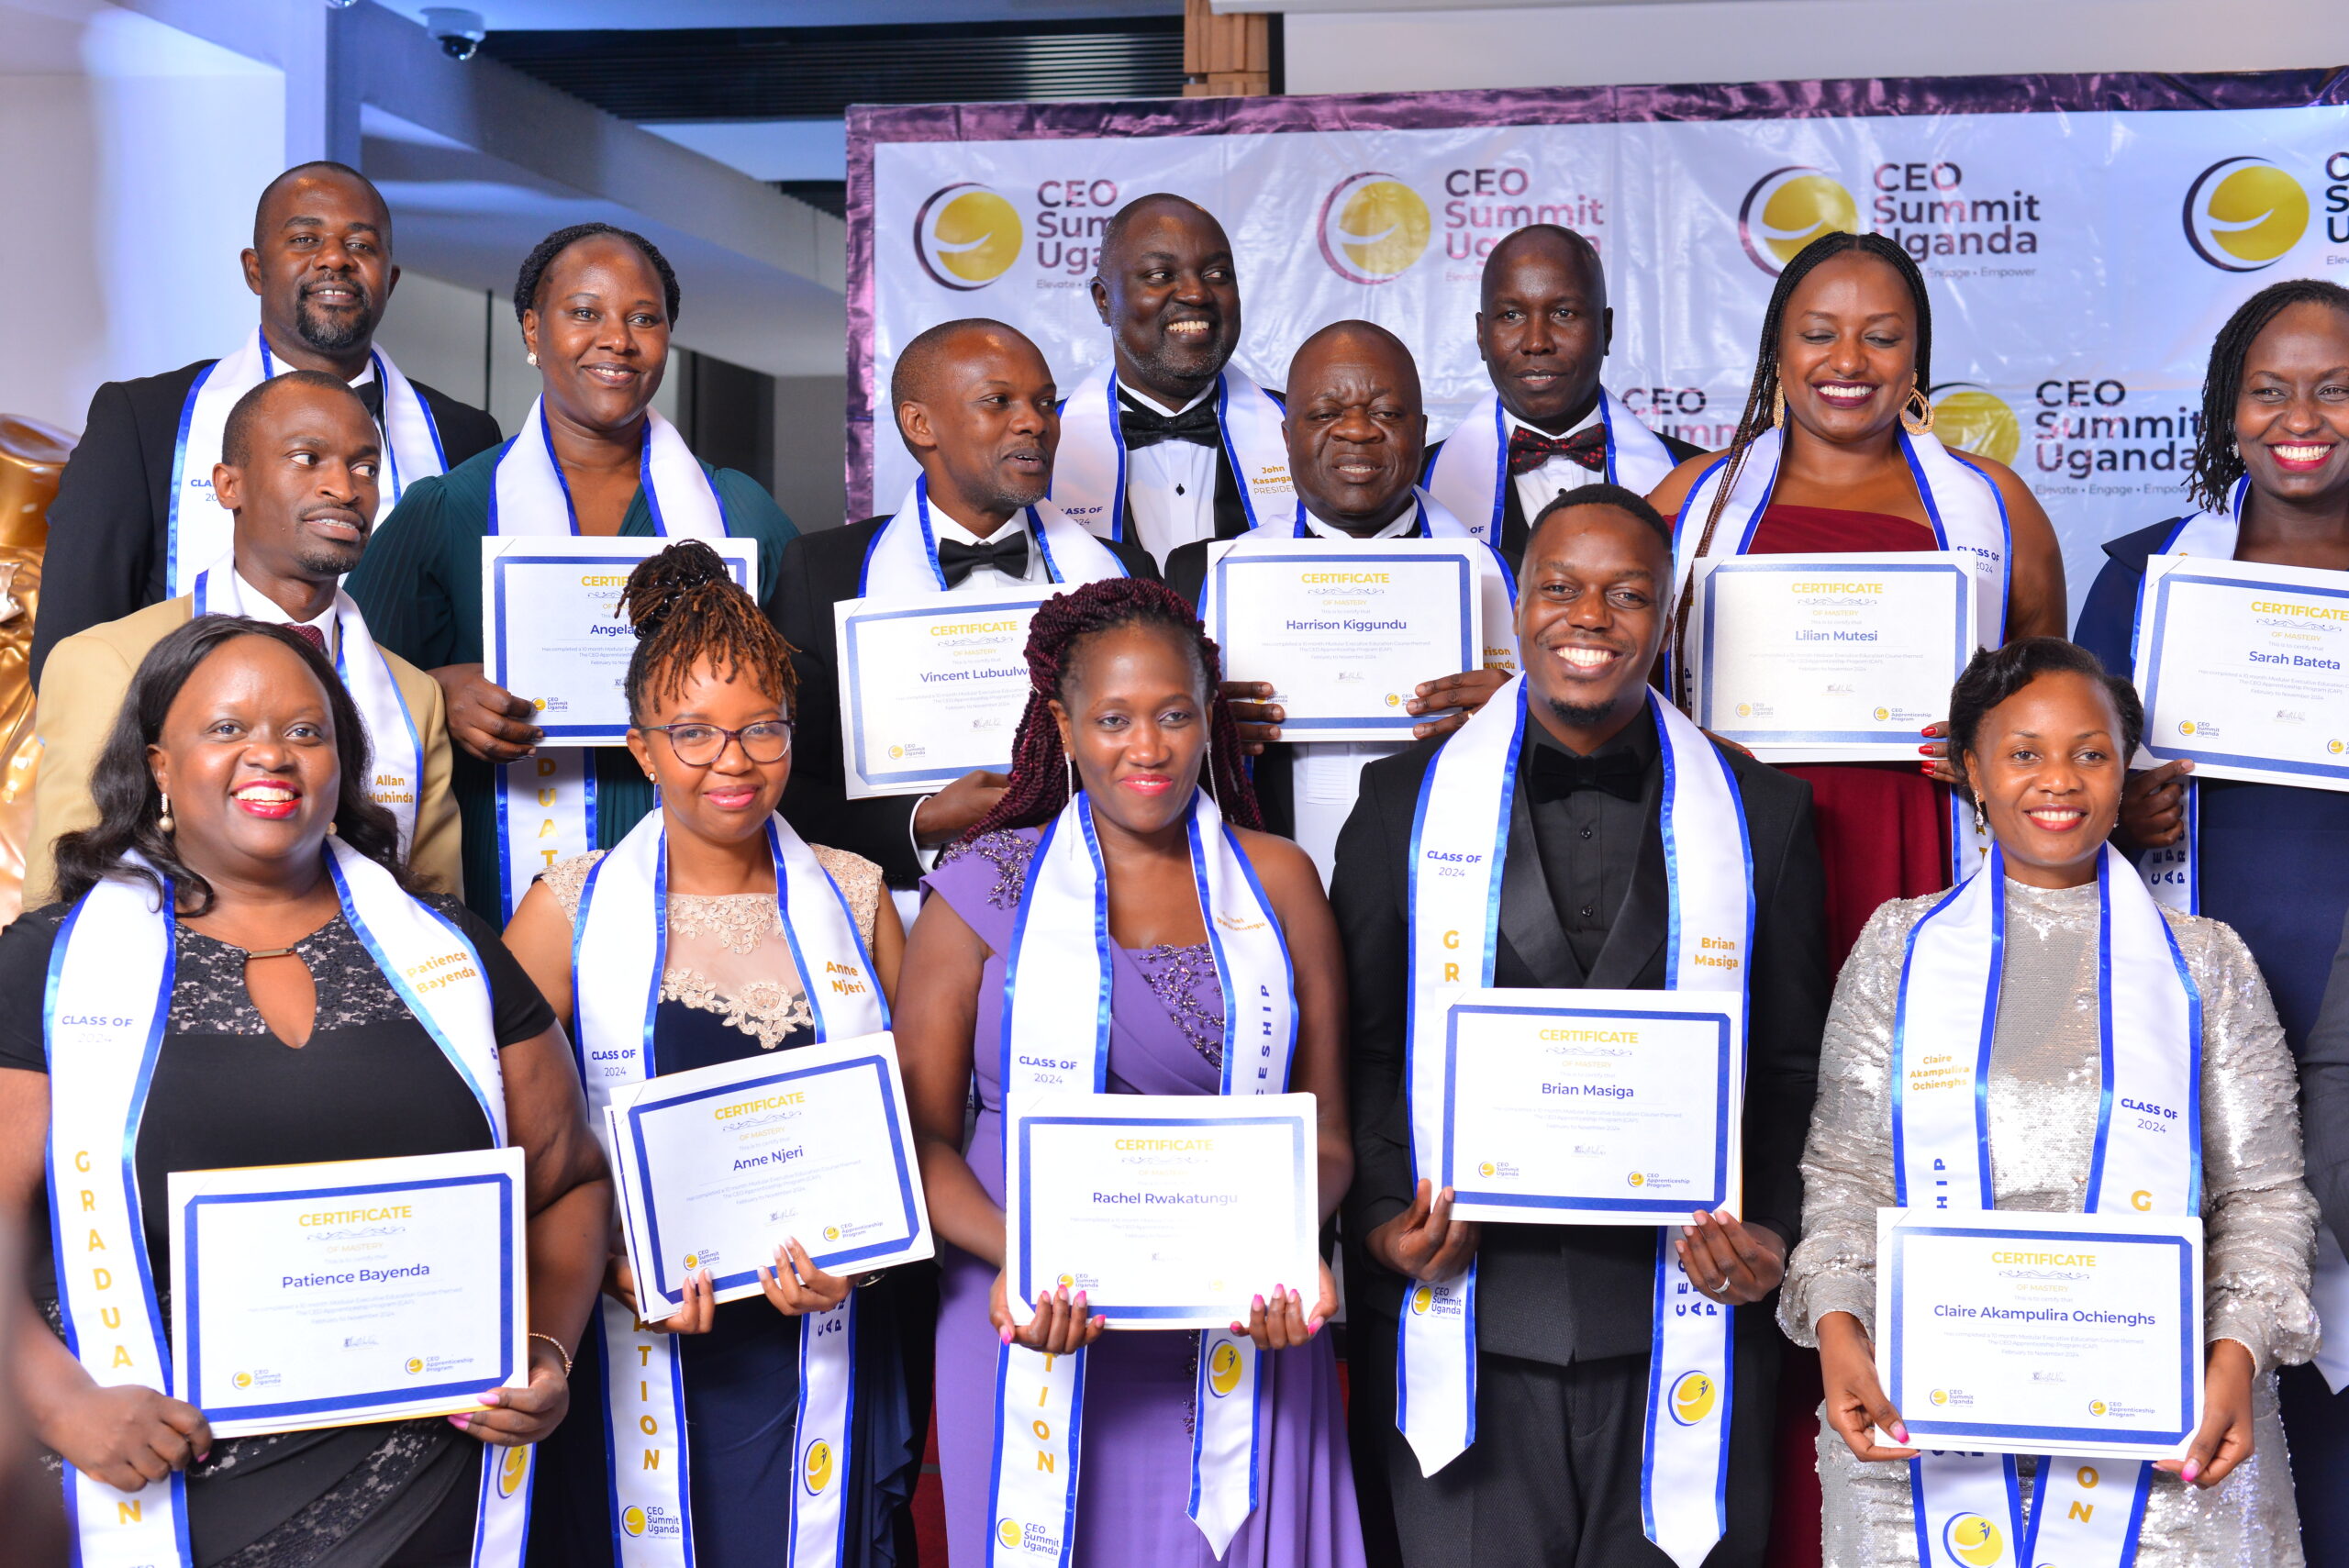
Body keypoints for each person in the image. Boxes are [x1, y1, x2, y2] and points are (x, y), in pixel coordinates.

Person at [0, 616, 609, 1564]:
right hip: (151, 1470)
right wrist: (62, 1402)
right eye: (227, 728)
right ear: (159, 762)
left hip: (429, 1478)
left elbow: (569, 1174)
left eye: (306, 730)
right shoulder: (49, 964)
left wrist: (546, 1349)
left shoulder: (452, 952)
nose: (270, 754)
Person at [1335, 486, 1827, 1568]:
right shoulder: (1398, 802)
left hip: (1684, 1316)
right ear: (1517, 601)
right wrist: (1380, 1221)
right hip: (1463, 1320)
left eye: (1626, 593)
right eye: (1559, 587)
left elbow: (1793, 1064)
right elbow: (1361, 1045)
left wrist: (1774, 1238)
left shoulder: (1764, 814)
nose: (1589, 616)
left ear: (1668, 615)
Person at [1785, 636, 2317, 1568]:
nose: (2057, 778)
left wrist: (2232, 1358)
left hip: (2171, 1434)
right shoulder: (1897, 948)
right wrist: (1838, 1330)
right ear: (1970, 774)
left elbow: (2262, 1199)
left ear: (2123, 774)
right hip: (1926, 1436)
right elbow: (1845, 1176)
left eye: (2090, 751)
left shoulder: (2206, 964)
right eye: (2023, 751)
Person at [895, 577, 1366, 1568]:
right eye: (1113, 718)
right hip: (1027, 1308)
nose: (1145, 748)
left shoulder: (1279, 879)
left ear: (1208, 722)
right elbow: (918, 1135)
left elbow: (1325, 1133)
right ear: (1063, 727)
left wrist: (1282, 1247)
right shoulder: (982, 883)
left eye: (1172, 715)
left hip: (1241, 1318)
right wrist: (1027, 1250)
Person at [501, 541, 923, 1566]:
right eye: (693, 733)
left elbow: (914, 1128)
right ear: (642, 748)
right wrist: (603, 1268)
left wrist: (861, 1260)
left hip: (820, 1337)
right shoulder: (569, 906)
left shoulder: (857, 895)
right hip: (633, 1343)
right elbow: (506, 1142)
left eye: (760, 729)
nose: (732, 762)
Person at [2073, 277, 2349, 1562]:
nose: (2303, 415)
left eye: (2337, 386)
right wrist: (2118, 812)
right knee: (2213, 1375)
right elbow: (2054, 785)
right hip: (2202, 1022)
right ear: (2227, 409)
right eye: (2271, 387)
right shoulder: (2142, 582)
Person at [347, 221, 799, 925]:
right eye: (584, 312)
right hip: (499, 885)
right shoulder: (448, 512)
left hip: (715, 888)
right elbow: (344, 682)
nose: (617, 339)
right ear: (532, 329)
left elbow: (806, 698)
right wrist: (437, 692)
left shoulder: (738, 511)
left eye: (643, 318)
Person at [1646, 230, 2066, 969]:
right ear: (1779, 349)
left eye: (1880, 337)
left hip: (1922, 842)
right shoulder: (1689, 502)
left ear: (1915, 357)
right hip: (1737, 836)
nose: (1847, 361)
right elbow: (1616, 693)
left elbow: (2049, 710)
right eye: (1818, 335)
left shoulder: (1998, 507)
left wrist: (1993, 752)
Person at [33, 161, 502, 683]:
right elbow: (68, 656)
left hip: (402, 753)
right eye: (305, 238)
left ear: (390, 280)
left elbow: (479, 639)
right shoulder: (145, 420)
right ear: (255, 270)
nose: (334, 259)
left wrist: (438, 698)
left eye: (362, 246)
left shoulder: (464, 436)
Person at [29, 371, 460, 903]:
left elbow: (439, 918)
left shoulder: (415, 697)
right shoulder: (108, 662)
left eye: (365, 467)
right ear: (228, 485)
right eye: (307, 459)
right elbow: (58, 912)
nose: (345, 489)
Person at [776, 317, 1154, 916]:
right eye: (998, 402)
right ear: (919, 424)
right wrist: (921, 820)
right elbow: (785, 781)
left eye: (1045, 403)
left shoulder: (1125, 572)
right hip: (898, 921)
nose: (1034, 421)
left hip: (1100, 904)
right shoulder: (821, 571)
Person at [1164, 320, 1514, 882]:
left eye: (1386, 413)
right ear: (1286, 435)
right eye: (1326, 413)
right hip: (1260, 884)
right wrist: (1197, 727)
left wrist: (1519, 713)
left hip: (1443, 887)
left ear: (1422, 431)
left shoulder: (1510, 575)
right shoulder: (1194, 578)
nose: (1357, 432)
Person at [1422, 225, 1702, 570]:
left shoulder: (1700, 484)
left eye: (1563, 313)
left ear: (1606, 329)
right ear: (1482, 335)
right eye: (1511, 315)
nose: (1536, 342)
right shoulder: (1416, 487)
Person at [1050, 194, 1293, 567]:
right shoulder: (1038, 445)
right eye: (1161, 275)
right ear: (1103, 300)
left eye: (1216, 275)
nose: (1196, 293)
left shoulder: (1307, 433)